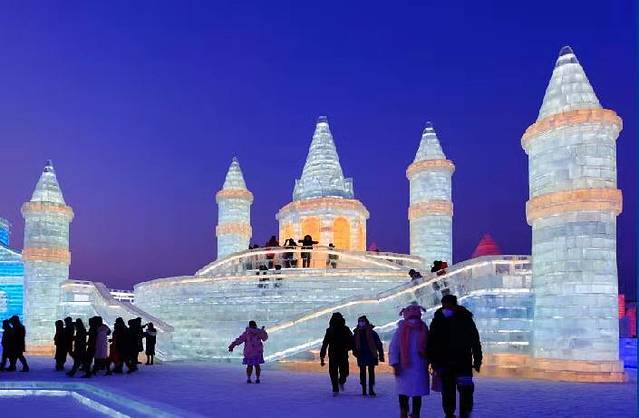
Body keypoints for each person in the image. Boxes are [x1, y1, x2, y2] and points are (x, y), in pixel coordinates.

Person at [427, 294, 482, 418]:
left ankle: (462, 413)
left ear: (454, 305)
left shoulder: (464, 318)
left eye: (448, 305)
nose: (446, 308)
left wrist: (477, 360)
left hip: (461, 362)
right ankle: (450, 414)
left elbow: (475, 341)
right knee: (449, 391)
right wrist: (433, 360)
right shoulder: (439, 319)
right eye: (444, 305)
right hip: (449, 362)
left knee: (463, 390)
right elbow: (431, 342)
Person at [389, 304, 430, 418]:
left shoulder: (401, 329)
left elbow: (394, 347)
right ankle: (416, 413)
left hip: (403, 366)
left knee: (404, 391)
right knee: (417, 393)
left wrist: (395, 363)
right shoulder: (423, 328)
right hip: (419, 365)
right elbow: (429, 346)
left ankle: (404, 412)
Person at [320, 312, 354, 396]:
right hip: (336, 353)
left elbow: (325, 344)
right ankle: (336, 387)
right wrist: (322, 356)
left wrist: (322, 356)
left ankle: (338, 385)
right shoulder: (331, 330)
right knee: (337, 372)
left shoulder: (344, 329)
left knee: (339, 372)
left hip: (340, 353)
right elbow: (325, 343)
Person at [352, 315, 384, 396]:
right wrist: (355, 352)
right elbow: (353, 344)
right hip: (361, 354)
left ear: (366, 322)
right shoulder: (356, 333)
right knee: (363, 372)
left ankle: (370, 388)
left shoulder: (372, 333)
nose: (361, 323)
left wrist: (381, 355)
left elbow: (378, 344)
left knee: (370, 371)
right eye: (360, 321)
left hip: (371, 354)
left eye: (362, 321)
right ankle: (364, 389)